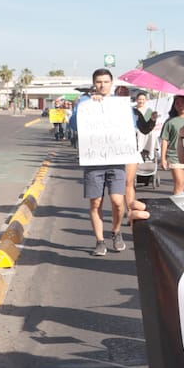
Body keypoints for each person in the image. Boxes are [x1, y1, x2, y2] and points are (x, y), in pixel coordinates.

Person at [73, 69, 132, 255]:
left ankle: (116, 231)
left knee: (117, 201)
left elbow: (132, 125)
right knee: (96, 202)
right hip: (94, 160)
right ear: (94, 83)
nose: (102, 85)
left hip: (116, 159)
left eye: (106, 82)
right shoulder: (85, 103)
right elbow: (74, 125)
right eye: (99, 82)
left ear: (111, 83)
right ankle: (99, 240)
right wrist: (86, 106)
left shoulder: (121, 105)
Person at [159, 96, 184, 194]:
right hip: (174, 156)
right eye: (177, 103)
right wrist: (163, 158)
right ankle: (176, 207)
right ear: (174, 106)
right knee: (179, 184)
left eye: (182, 102)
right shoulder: (170, 122)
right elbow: (165, 140)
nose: (180, 105)